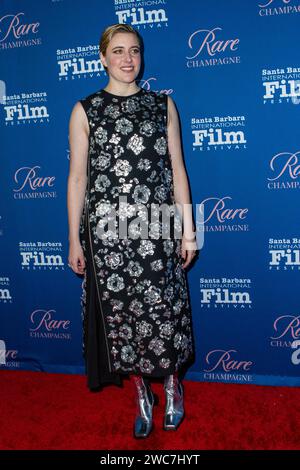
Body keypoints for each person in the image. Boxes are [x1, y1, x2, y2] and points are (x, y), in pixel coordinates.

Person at [67, 23, 198, 439]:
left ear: (142, 57)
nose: (128, 59)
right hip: (107, 234)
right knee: (124, 321)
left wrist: (188, 230)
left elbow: (177, 168)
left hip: (157, 227)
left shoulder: (163, 106)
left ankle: (173, 385)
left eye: (135, 51)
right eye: (118, 51)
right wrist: (74, 238)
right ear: (102, 57)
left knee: (164, 314)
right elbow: (76, 179)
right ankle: (143, 394)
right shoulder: (85, 110)